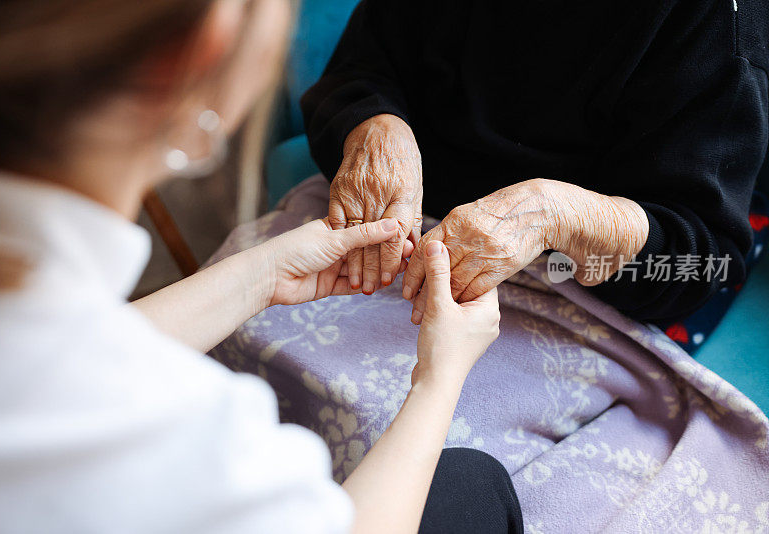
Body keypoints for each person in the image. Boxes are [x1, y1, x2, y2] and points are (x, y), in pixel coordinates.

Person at [0, 0, 523, 532]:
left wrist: (263, 273)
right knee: (473, 487)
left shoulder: (27, 337)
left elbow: (66, 356)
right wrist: (439, 376)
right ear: (197, 48)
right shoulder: (192, 438)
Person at [302, 0, 769, 325]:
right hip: (387, 221)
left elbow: (706, 263)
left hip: (569, 284)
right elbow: (359, 68)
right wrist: (376, 129)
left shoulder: (716, 24)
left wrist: (555, 215)